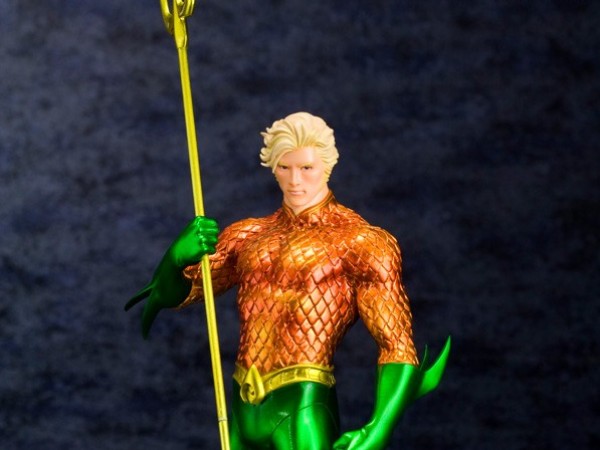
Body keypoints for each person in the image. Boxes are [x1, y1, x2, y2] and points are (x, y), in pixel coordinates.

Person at [126, 112, 450, 450]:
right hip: (243, 403)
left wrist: (378, 429)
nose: (295, 180)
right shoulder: (247, 236)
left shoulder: (361, 243)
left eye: (306, 168)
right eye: (285, 167)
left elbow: (397, 346)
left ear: (327, 166)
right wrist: (175, 259)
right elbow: (182, 295)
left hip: (301, 404)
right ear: (273, 167)